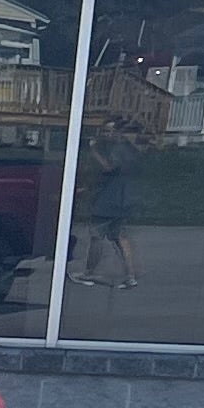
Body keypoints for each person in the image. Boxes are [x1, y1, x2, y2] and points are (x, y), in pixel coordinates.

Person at [73, 66, 150, 289]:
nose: (105, 134)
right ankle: (130, 276)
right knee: (119, 238)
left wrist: (94, 150)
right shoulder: (128, 148)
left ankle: (88, 273)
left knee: (96, 237)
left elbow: (108, 168)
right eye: (103, 131)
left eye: (108, 130)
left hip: (110, 202)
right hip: (121, 199)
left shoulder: (115, 149)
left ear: (116, 131)